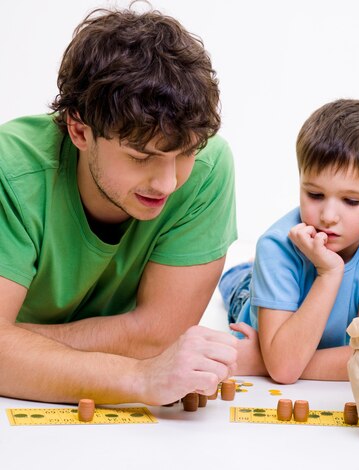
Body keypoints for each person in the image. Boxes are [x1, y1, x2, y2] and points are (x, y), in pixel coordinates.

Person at [0, 5, 260, 406]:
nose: (169, 182)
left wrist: (17, 347)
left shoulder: (210, 168)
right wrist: (138, 376)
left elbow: (156, 336)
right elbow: (147, 353)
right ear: (79, 129)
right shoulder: (11, 171)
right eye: (142, 157)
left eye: (186, 153)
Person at [220, 99, 359, 383]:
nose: (328, 217)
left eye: (351, 201)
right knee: (240, 289)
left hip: (285, 341)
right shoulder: (276, 246)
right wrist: (329, 273)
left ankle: (250, 272)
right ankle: (244, 272)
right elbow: (284, 369)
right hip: (255, 306)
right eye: (315, 195)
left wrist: (261, 361)